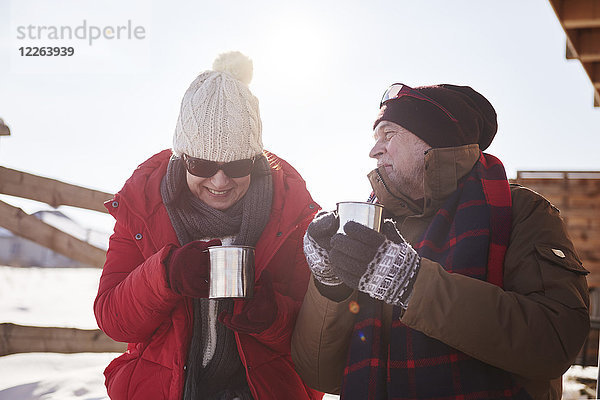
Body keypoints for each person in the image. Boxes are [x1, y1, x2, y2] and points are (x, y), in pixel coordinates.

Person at [291, 83, 590, 400]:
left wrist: (410, 283)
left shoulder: (521, 212)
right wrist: (329, 284)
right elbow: (319, 374)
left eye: (388, 134)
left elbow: (554, 344)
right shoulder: (375, 227)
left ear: (434, 139)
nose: (374, 150)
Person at [94, 51, 323, 400]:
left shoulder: (290, 216)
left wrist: (273, 316)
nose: (219, 181)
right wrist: (164, 275)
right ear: (182, 157)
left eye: (236, 166)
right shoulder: (141, 209)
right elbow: (113, 319)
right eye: (201, 164)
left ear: (255, 160)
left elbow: (315, 336)